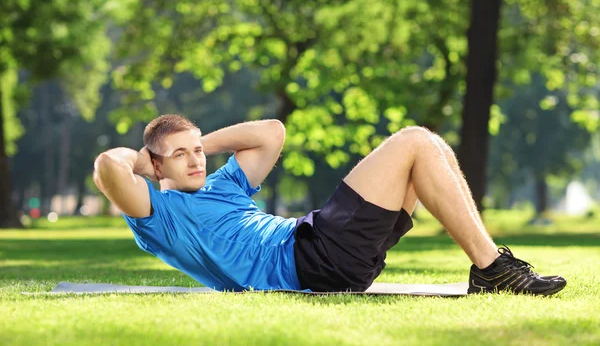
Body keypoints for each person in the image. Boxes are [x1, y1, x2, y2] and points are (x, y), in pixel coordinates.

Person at [93, 114, 566, 295]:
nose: (195, 160)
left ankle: (489, 268)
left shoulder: (223, 185)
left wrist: (196, 144)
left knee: (432, 148)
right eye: (181, 156)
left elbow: (271, 133)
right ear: (156, 167)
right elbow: (106, 169)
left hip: (320, 249)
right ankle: (492, 269)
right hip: (308, 260)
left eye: (196, 151)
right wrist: (147, 162)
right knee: (414, 141)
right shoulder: (161, 217)